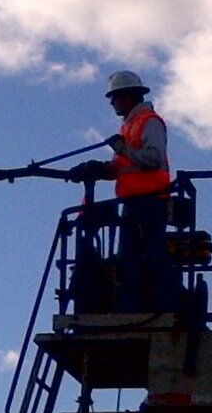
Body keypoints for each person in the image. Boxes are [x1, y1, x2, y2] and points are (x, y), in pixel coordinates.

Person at [70, 70, 174, 312]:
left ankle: (155, 306)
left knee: (148, 258)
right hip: (134, 203)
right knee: (131, 260)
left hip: (150, 202)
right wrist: (98, 168)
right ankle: (133, 307)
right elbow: (124, 168)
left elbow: (153, 159)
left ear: (127, 97)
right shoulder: (129, 127)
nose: (112, 103)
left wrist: (122, 149)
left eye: (114, 97)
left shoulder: (149, 121)